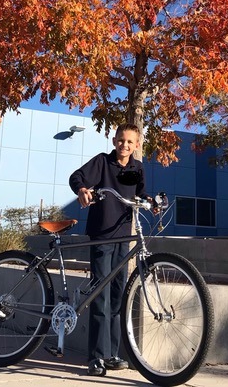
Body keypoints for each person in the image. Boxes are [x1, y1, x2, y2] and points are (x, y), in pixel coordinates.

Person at [69, 123, 149, 377]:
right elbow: (77, 177)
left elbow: (140, 193)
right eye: (120, 140)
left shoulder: (136, 168)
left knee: (117, 296)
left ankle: (113, 354)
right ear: (114, 140)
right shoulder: (103, 163)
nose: (124, 145)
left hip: (123, 236)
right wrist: (82, 190)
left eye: (130, 142)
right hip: (102, 235)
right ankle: (96, 357)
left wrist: (152, 202)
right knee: (100, 295)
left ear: (137, 145)